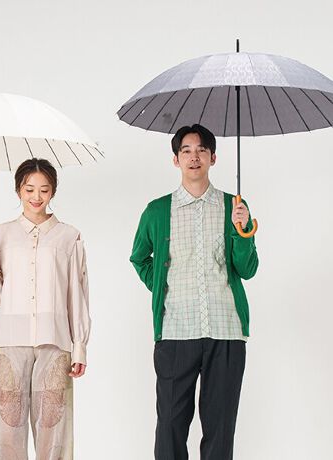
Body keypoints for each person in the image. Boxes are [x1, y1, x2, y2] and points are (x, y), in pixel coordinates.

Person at [130, 124, 259, 460]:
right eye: (186, 150)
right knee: (170, 426)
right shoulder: (157, 210)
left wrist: (242, 231)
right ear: (176, 159)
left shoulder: (235, 207)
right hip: (175, 330)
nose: (194, 156)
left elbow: (247, 269)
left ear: (213, 157)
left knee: (220, 427)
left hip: (225, 330)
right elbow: (139, 258)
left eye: (202, 149)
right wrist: (162, 286)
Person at [0, 157, 90, 460]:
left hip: (55, 342)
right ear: (18, 191)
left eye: (44, 189)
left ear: (53, 191)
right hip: (10, 341)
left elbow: (77, 294)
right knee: (7, 429)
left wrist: (79, 347)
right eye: (29, 189)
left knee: (54, 430)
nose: (36, 197)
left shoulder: (69, 236)